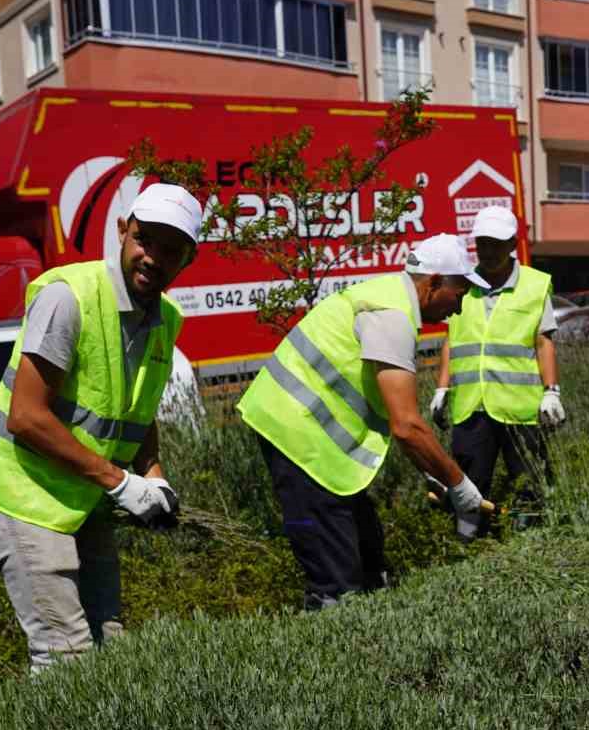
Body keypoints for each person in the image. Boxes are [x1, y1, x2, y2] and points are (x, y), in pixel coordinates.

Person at [0, 184, 198, 675]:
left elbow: (137, 409)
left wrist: (152, 475)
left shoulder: (165, 319)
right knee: (65, 657)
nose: (152, 257)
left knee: (109, 642)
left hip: (83, 499)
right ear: (122, 231)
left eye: (170, 249)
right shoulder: (67, 298)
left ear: (187, 260)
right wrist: (120, 482)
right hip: (24, 498)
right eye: (144, 240)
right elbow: (26, 417)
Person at [239, 234, 486, 609]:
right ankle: (330, 641)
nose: (460, 307)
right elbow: (407, 426)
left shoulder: (389, 299)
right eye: (460, 293)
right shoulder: (392, 316)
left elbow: (388, 413)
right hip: (298, 437)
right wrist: (460, 485)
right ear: (434, 282)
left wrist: (432, 469)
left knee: (368, 553)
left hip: (310, 438)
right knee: (337, 579)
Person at [429, 206, 564, 534]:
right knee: (468, 481)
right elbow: (451, 341)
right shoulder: (462, 285)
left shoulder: (534, 285)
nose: (488, 252)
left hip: (520, 409)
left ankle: (531, 543)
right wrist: (442, 388)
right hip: (471, 406)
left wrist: (552, 391)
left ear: (512, 244)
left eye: (496, 244)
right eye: (483, 244)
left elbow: (543, 341)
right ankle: (469, 545)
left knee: (528, 482)